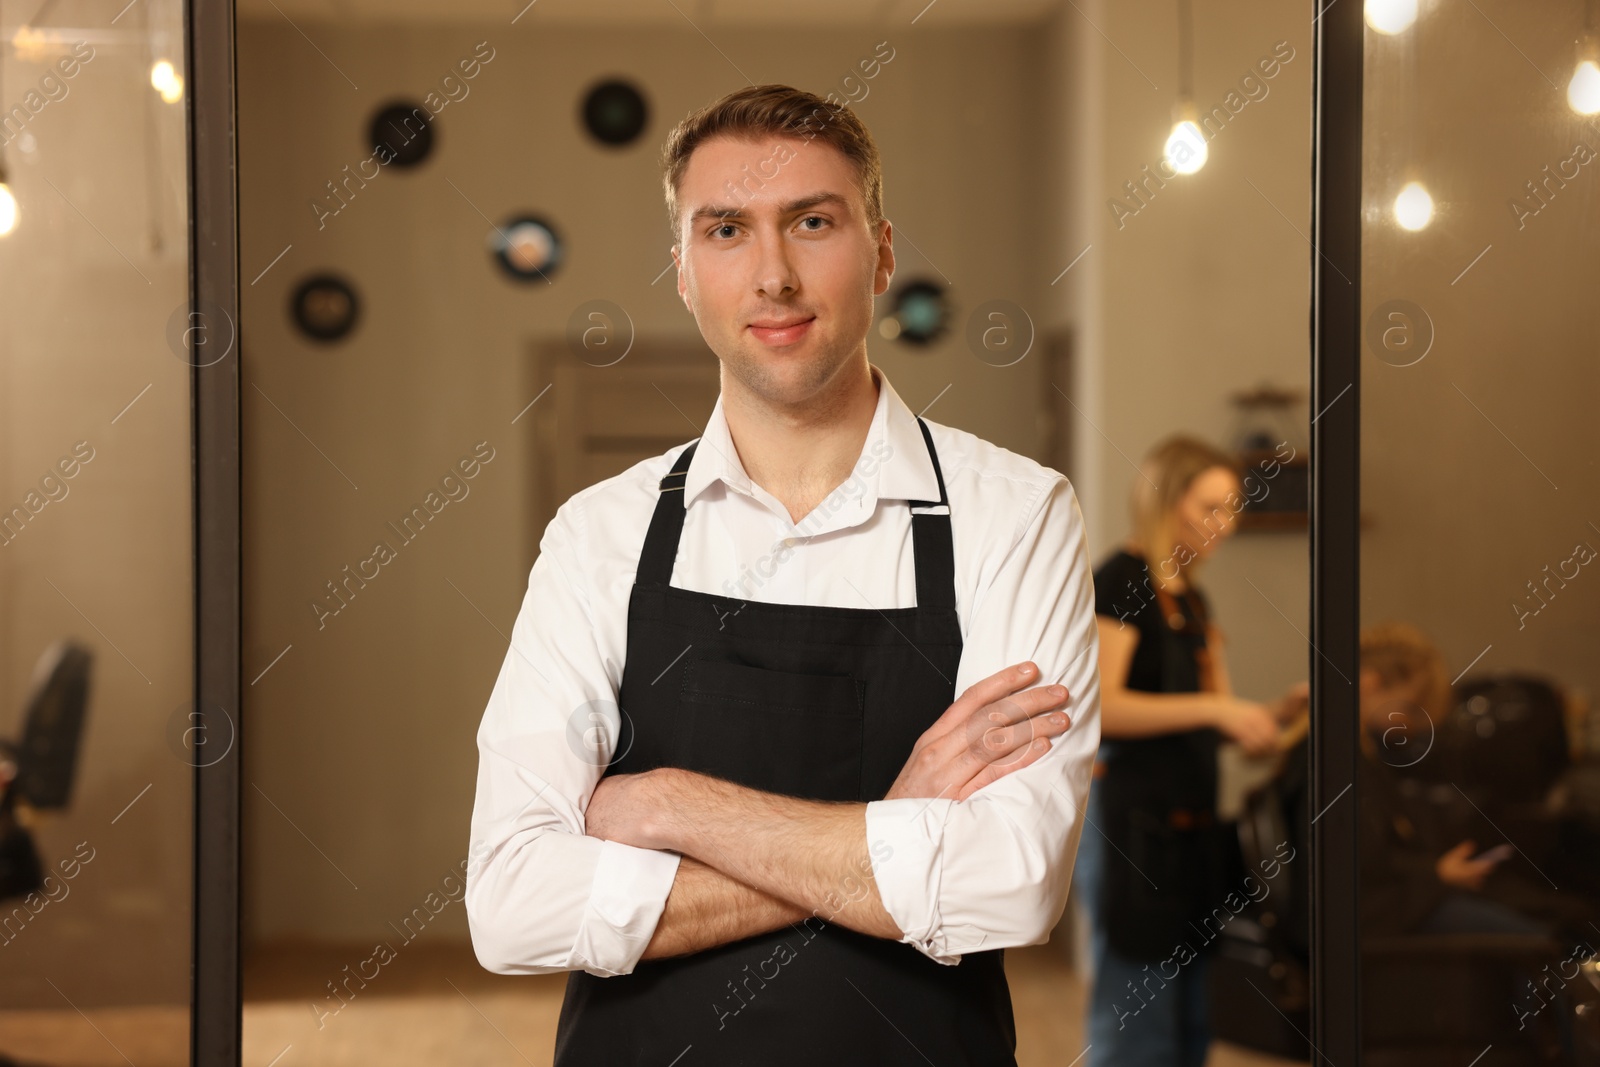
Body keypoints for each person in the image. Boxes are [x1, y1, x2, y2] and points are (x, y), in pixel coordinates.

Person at [464, 84, 1104, 1065]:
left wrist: (673, 803)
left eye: (812, 222)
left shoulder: (1014, 515)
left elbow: (1009, 883)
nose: (772, 274)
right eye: (725, 229)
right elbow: (510, 905)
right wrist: (898, 821)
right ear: (682, 270)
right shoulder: (599, 534)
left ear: (882, 251)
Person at [1075, 434, 1306, 1067]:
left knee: (1193, 1021)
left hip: (1193, 833)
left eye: (1232, 509)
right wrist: (1215, 710)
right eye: (1210, 507)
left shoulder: (1194, 600)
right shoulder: (1121, 582)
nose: (1224, 525)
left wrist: (1276, 718)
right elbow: (1100, 709)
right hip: (1133, 828)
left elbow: (1224, 720)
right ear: (1164, 501)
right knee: (1136, 1019)